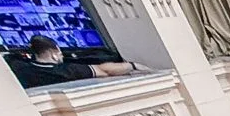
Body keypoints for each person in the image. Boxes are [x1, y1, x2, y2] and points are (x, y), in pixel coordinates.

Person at [7, 34, 135, 89]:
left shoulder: (20, 69)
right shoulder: (67, 71)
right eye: (60, 53)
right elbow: (105, 71)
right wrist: (133, 65)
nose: (62, 56)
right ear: (54, 54)